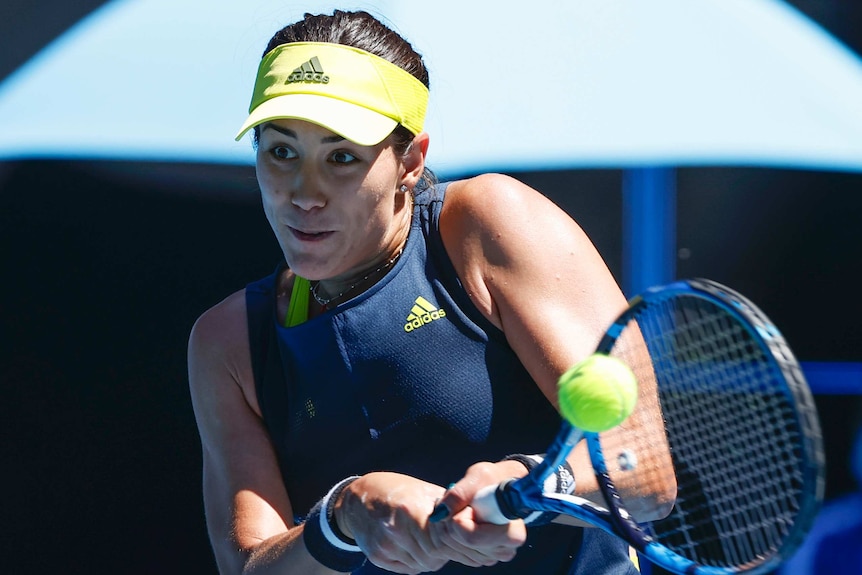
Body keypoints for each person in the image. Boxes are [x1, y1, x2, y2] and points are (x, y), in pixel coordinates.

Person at [188, 9, 674, 575]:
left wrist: (525, 482)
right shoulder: (227, 343)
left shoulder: (490, 224)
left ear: (411, 161)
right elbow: (249, 567)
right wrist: (345, 515)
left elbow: (644, 473)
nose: (304, 193)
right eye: (281, 151)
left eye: (341, 157)